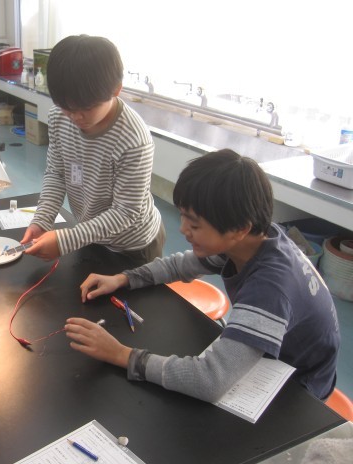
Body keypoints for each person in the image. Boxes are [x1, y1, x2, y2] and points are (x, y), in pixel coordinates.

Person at [67, 149, 340, 403]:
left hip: (301, 389)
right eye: (183, 216)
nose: (183, 229)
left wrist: (121, 354)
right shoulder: (254, 239)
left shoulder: (269, 289)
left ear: (239, 229)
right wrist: (123, 278)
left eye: (195, 224)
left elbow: (209, 381)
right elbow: (180, 266)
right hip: (273, 357)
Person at [20, 35, 164, 264]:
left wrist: (66, 240)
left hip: (133, 246)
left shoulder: (133, 140)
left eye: (86, 108)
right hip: (91, 234)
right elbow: (57, 174)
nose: (75, 117)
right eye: (66, 107)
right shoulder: (59, 117)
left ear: (116, 90)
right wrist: (42, 220)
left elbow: (125, 212)